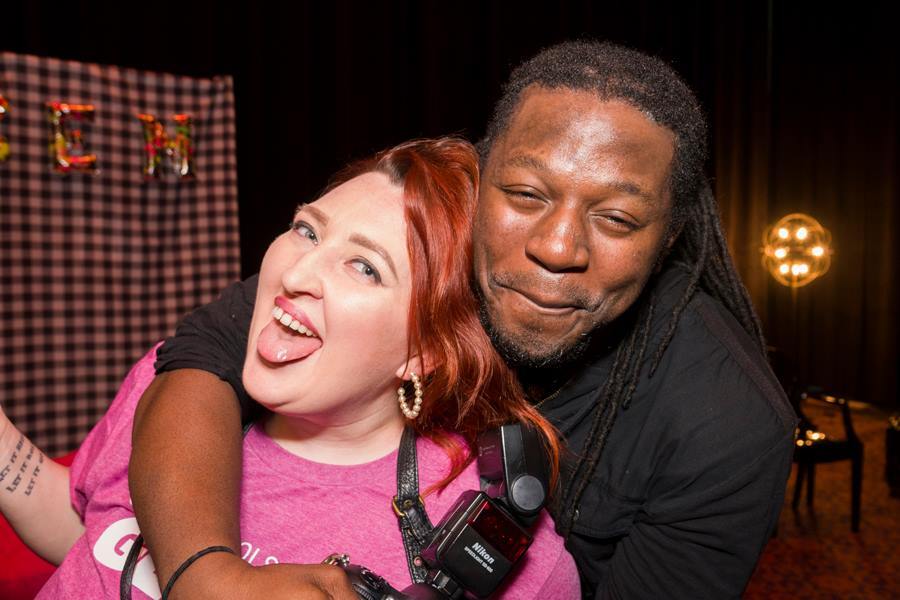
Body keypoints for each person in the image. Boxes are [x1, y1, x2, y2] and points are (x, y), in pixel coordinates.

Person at [133, 41, 798, 599]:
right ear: (481, 174)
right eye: (525, 194)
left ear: (673, 236)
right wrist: (203, 573)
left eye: (617, 218)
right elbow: (205, 354)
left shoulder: (728, 422)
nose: (558, 248)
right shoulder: (417, 253)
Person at [0, 138, 579, 599]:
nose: (297, 273)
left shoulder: (483, 534)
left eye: (364, 267)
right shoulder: (173, 382)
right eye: (308, 230)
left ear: (424, 351)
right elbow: (88, 531)